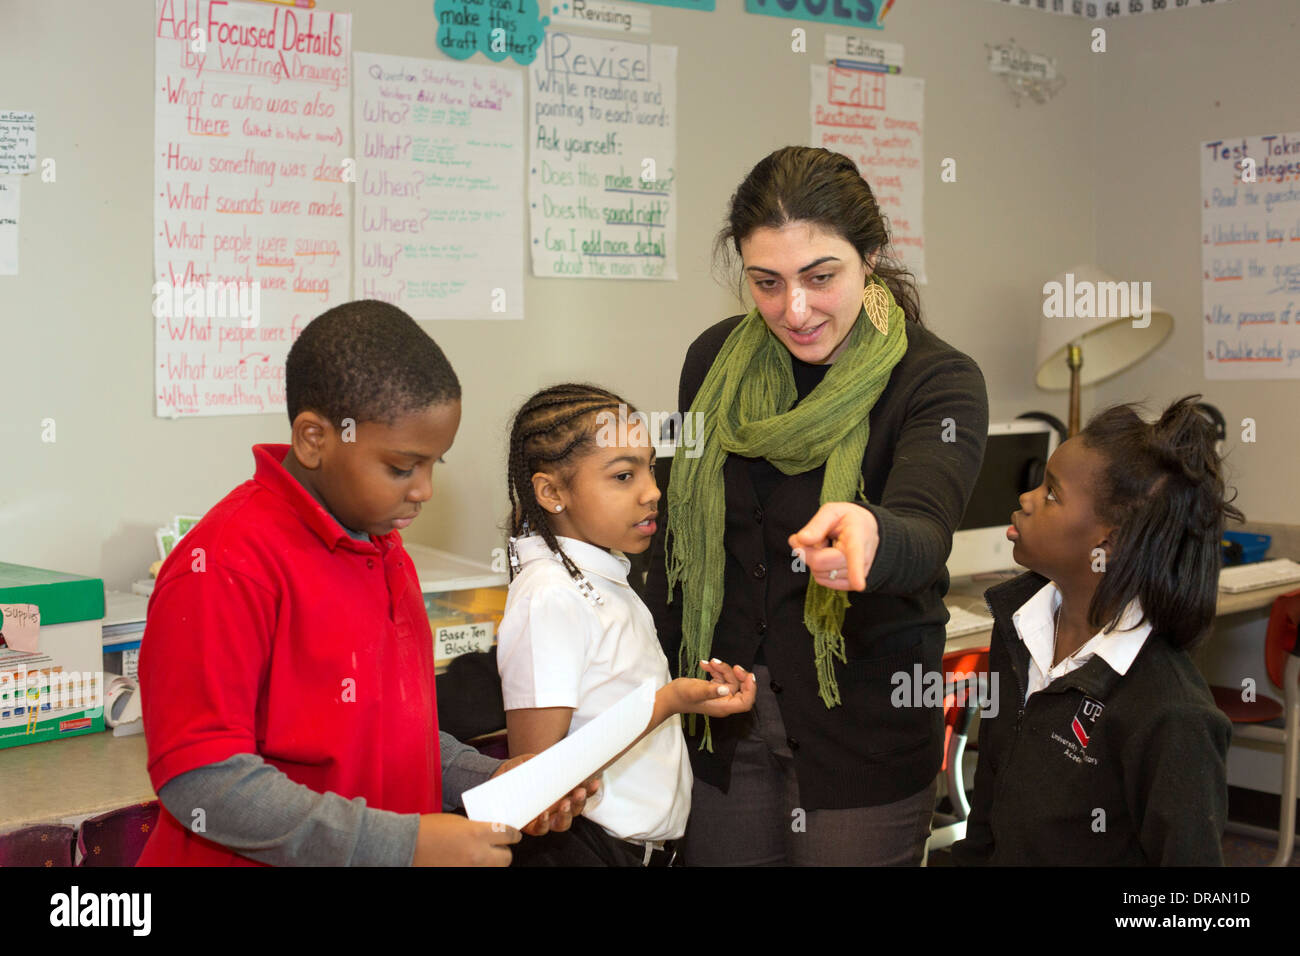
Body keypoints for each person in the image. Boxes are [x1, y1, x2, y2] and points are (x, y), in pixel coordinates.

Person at [137, 300, 593, 867]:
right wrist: (406, 844)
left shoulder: (383, 550)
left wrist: (494, 778)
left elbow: (397, 740)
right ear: (313, 439)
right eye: (402, 467)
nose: (423, 489)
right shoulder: (225, 565)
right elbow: (204, 782)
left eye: (435, 465)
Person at [643, 146, 989, 866]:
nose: (793, 310)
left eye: (820, 277)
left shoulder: (937, 380)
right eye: (766, 283)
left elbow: (925, 531)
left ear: (870, 256)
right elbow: (685, 525)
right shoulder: (714, 362)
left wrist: (870, 530)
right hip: (724, 712)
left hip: (861, 727)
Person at [952, 396, 1236, 865]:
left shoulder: (1172, 713)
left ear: (1109, 538)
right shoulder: (1018, 632)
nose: (1025, 499)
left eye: (1051, 493)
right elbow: (986, 824)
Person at [497, 384, 757, 866]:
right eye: (623, 475)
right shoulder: (551, 595)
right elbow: (537, 780)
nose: (653, 491)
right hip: (586, 849)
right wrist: (667, 702)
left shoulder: (604, 578)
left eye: (650, 467)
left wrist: (689, 699)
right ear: (552, 492)